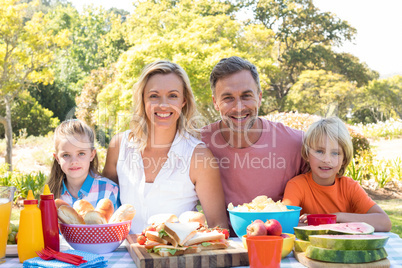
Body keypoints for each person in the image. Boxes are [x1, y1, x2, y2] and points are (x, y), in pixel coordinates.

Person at [102, 60, 228, 233]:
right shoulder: (119, 146)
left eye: (173, 96)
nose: (163, 104)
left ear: (183, 101)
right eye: (154, 96)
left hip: (178, 258)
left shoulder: (199, 157)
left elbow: (219, 226)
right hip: (123, 256)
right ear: (143, 99)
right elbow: (103, 205)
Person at [202, 56, 307, 212]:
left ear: (259, 98)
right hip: (222, 236)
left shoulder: (297, 144)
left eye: (246, 96)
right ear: (215, 103)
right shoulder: (198, 143)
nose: (238, 107)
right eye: (228, 98)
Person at [282, 117, 391, 232]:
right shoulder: (296, 185)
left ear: (344, 159)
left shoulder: (349, 187)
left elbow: (384, 222)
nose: (326, 159)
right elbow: (284, 223)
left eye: (335, 153)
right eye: (319, 151)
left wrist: (336, 217)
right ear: (307, 154)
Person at [48, 120, 120, 210]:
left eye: (81, 153)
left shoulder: (109, 190)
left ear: (92, 155)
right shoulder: (51, 195)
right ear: (57, 158)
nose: (74, 161)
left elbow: (116, 224)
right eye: (66, 155)